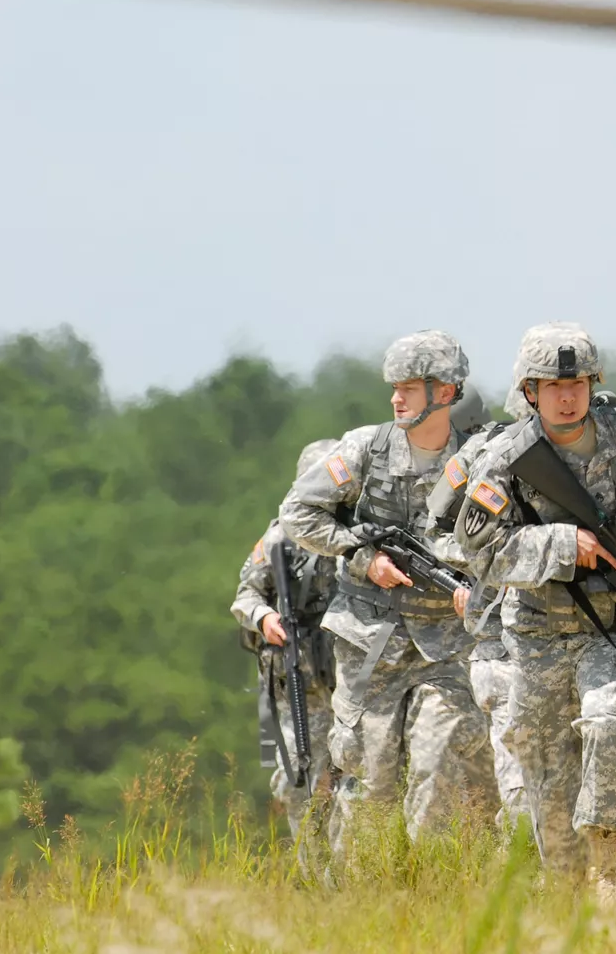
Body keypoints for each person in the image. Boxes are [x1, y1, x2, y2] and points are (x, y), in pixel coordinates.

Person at [454, 322, 616, 905]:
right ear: (530, 391)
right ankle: (563, 884)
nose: (567, 397)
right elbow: (480, 549)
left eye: (577, 384)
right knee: (545, 762)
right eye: (553, 386)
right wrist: (565, 545)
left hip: (610, 625)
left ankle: (606, 872)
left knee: (611, 721)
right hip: (536, 630)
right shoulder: (506, 458)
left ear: (593, 385)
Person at [277, 331, 496, 857]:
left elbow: (507, 536)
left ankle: (428, 884)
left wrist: (481, 588)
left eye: (408, 389)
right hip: (370, 641)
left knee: (438, 762)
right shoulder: (364, 449)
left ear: (445, 392)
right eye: (394, 388)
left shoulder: (481, 458)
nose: (396, 399)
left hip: (449, 645)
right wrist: (362, 556)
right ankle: (365, 889)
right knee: (369, 779)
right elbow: (297, 513)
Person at [423, 389, 529, 836]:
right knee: (521, 786)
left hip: (586, 636)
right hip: (501, 641)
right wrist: (481, 567)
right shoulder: (485, 451)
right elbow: (436, 531)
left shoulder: (601, 447)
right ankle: (521, 869)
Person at [231, 438, 341, 841]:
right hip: (300, 679)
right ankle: (314, 867)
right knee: (300, 779)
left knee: (360, 778)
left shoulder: (357, 534)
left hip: (356, 678)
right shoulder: (281, 537)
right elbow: (246, 596)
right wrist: (265, 619)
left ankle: (360, 866)